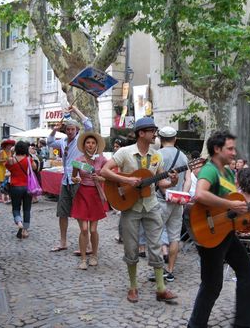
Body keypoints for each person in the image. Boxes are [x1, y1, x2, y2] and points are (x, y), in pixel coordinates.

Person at [188, 131, 250, 328]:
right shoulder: (210, 170)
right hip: (211, 232)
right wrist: (230, 205)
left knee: (247, 273)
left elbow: (237, 206)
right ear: (217, 149)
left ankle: (243, 323)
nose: (234, 152)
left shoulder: (226, 172)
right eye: (230, 148)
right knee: (212, 285)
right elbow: (200, 195)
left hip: (225, 231)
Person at [101, 117, 178, 304]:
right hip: (130, 206)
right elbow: (104, 171)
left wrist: (172, 182)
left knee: (156, 246)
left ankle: (160, 288)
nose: (155, 134)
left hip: (151, 206)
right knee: (131, 247)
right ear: (141, 133)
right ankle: (133, 287)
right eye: (152, 130)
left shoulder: (157, 156)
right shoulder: (125, 153)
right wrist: (128, 181)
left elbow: (160, 183)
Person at [47, 105, 93, 252]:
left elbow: (88, 125)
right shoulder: (62, 141)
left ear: (77, 130)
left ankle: (87, 244)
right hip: (65, 180)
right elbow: (49, 142)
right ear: (65, 130)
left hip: (77, 179)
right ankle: (63, 242)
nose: (70, 131)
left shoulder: (81, 140)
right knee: (62, 212)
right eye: (68, 129)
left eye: (73, 129)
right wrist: (55, 129)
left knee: (80, 213)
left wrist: (75, 110)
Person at [156, 126, 190, 282]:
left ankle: (160, 268)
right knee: (174, 237)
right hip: (178, 201)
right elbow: (188, 180)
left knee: (156, 233)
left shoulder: (158, 155)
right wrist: (182, 194)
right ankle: (170, 270)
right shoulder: (183, 156)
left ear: (160, 139)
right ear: (175, 139)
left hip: (161, 199)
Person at [71, 132, 108, 269]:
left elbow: (110, 176)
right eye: (88, 143)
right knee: (84, 229)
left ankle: (94, 255)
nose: (90, 145)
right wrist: (76, 179)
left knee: (93, 230)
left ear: (96, 145)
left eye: (93, 143)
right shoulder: (78, 160)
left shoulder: (102, 160)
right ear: (84, 145)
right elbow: (73, 177)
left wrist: (100, 178)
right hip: (82, 194)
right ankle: (83, 259)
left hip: (95, 195)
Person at [5, 141, 37, 239]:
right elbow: (35, 168)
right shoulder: (28, 159)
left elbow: (7, 166)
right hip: (27, 187)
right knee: (27, 209)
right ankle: (25, 230)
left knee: (16, 208)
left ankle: (19, 223)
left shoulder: (12, 160)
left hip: (15, 187)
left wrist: (11, 153)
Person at [0, 139, 15, 204]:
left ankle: (6, 196)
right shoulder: (1, 151)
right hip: (1, 169)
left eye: (10, 145)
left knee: (7, 183)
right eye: (9, 145)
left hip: (7, 169)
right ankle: (0, 197)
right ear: (5, 146)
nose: (10, 146)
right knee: (0, 184)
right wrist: (6, 159)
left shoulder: (11, 152)